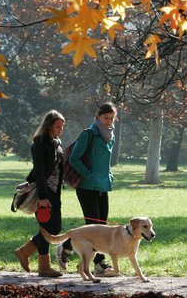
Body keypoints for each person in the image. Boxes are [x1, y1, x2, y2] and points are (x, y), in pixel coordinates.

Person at [58, 102, 117, 275]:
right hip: (87, 186)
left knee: (102, 227)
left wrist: (109, 175)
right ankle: (96, 263)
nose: (108, 121)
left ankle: (69, 248)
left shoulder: (110, 136)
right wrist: (89, 175)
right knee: (92, 227)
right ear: (98, 117)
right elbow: (74, 159)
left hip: (103, 185)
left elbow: (105, 161)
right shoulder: (89, 134)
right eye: (105, 118)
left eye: (112, 118)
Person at [14, 110, 65, 277]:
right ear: (49, 126)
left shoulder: (56, 143)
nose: (61, 129)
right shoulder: (39, 145)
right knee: (47, 227)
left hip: (55, 191)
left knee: (55, 228)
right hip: (44, 192)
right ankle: (43, 267)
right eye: (58, 126)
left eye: (62, 126)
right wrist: (43, 197)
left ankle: (25, 251)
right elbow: (40, 172)